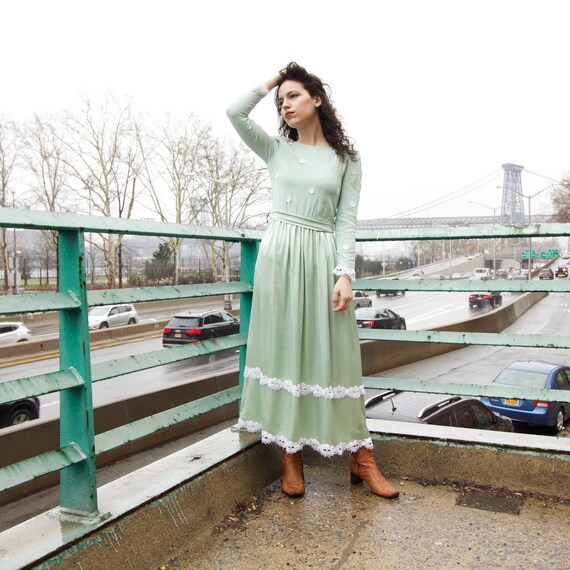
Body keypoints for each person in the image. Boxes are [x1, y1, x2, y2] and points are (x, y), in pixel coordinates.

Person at [226, 62, 398, 499]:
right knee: (284, 350)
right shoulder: (275, 149)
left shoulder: (346, 159)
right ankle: (290, 455)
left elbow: (345, 220)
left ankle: (362, 457)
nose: (285, 105)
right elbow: (234, 112)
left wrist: (344, 273)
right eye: (280, 100)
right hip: (280, 258)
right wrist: (273, 79)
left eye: (294, 96)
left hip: (323, 257)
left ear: (317, 99)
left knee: (337, 355)